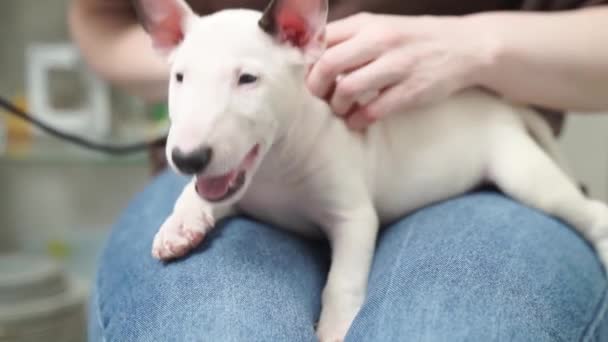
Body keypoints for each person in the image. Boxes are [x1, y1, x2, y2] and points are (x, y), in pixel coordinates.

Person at [69, 0, 608, 340]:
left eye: (246, 80)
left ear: (302, 37)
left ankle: (597, 225)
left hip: (469, 170)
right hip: (254, 172)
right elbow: (99, 18)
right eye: (182, 76)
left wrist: (475, 46)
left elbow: (352, 215)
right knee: (215, 328)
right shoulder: (208, 96)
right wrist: (198, 204)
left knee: (447, 326)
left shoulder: (321, 134)